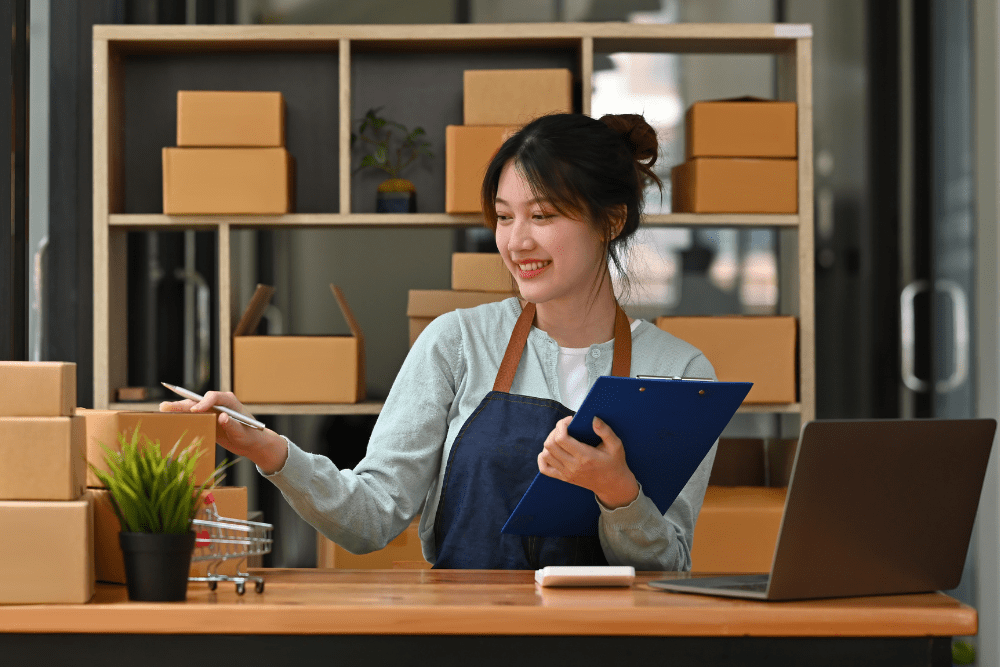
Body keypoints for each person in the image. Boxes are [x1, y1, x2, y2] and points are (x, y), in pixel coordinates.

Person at [161, 112, 717, 571]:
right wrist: (267, 448)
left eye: (543, 215)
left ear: (610, 221)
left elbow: (669, 563)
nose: (516, 241)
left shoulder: (680, 373)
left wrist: (617, 491)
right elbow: (370, 518)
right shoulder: (458, 342)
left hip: (612, 647)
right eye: (503, 217)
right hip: (465, 639)